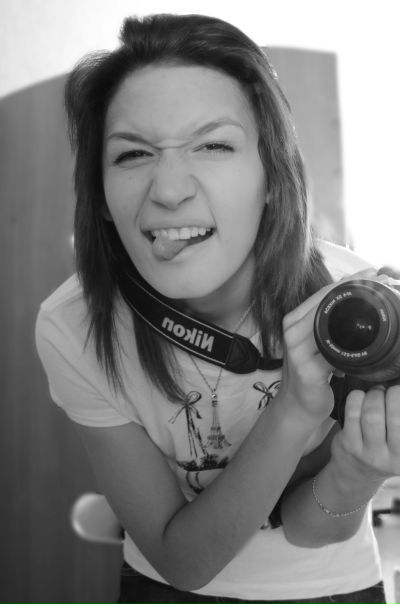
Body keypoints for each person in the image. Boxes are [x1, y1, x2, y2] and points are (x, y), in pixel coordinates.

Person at [35, 13, 400, 604]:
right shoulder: (75, 325)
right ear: (99, 194)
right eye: (133, 154)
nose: (168, 190)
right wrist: (292, 412)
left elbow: (315, 528)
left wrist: (362, 468)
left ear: (272, 177)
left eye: (213, 145)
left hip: (332, 585)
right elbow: (183, 561)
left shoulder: (354, 310)